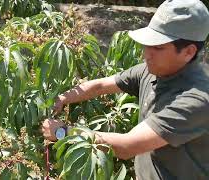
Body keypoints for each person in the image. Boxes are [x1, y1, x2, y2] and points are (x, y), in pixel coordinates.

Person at [41, 0, 209, 179]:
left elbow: (126, 146)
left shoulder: (196, 99)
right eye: (148, 44)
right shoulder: (154, 69)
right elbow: (100, 86)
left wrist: (63, 133)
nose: (146, 54)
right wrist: (62, 99)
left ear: (188, 52)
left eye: (158, 47)